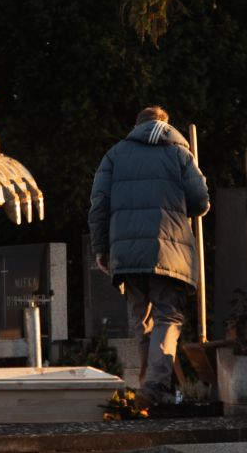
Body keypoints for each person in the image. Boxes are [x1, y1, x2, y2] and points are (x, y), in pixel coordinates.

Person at [88, 106, 210, 405]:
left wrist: (101, 249)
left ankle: (146, 387)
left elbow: (99, 205)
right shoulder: (181, 153)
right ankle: (156, 387)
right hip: (169, 249)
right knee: (168, 316)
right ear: (166, 125)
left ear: (136, 125)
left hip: (127, 254)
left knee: (141, 320)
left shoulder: (114, 155)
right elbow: (200, 202)